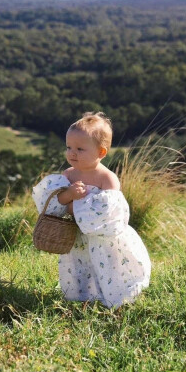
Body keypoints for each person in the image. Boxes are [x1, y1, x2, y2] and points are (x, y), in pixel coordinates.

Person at [32, 112, 151, 308]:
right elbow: (56, 203)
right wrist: (69, 195)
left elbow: (107, 211)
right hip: (77, 235)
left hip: (104, 238)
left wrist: (75, 204)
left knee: (108, 265)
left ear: (101, 152)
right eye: (69, 147)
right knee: (80, 266)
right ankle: (83, 296)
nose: (72, 153)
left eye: (80, 149)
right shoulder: (68, 174)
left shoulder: (106, 178)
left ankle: (112, 296)